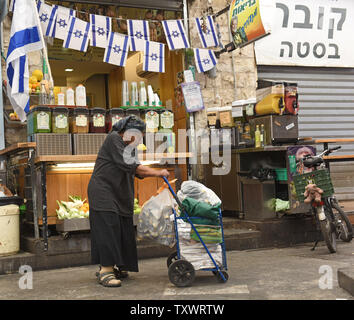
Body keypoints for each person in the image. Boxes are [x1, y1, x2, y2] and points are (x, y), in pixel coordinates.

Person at [88, 115, 170, 287]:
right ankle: (106, 270)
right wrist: (157, 172)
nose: (139, 139)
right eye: (137, 134)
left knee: (123, 229)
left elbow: (137, 171)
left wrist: (155, 173)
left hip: (120, 192)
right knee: (108, 229)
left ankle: (119, 265)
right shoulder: (113, 139)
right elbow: (130, 165)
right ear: (126, 132)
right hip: (103, 191)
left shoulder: (130, 147)